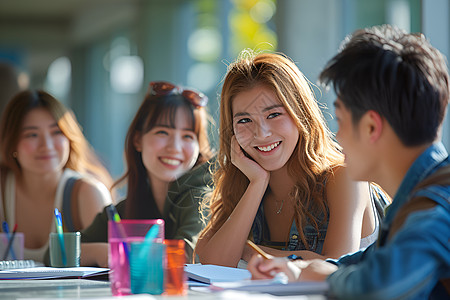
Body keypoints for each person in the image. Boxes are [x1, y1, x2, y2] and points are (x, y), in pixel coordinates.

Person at [248, 24, 450, 300]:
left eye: (340, 121)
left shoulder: (434, 211)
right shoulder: (417, 202)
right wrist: (301, 269)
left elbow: (379, 287)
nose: (338, 137)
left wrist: (317, 273)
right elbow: (366, 262)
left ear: (370, 128)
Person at [195, 50, 389, 268]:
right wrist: (257, 183)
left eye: (274, 115)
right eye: (245, 120)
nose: (261, 133)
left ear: (301, 114)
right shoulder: (243, 184)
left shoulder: (344, 178)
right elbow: (207, 260)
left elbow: (335, 268)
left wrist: (249, 252)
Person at [80, 81, 214, 267]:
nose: (174, 147)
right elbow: (60, 252)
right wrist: (103, 252)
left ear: (199, 147)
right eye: (162, 132)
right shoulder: (128, 207)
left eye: (187, 136)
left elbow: (184, 254)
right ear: (138, 140)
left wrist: (120, 252)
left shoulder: (202, 197)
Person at [0, 90, 114, 263]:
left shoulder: (87, 193)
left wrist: (94, 251)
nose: (46, 145)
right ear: (11, 143)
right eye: (32, 134)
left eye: (56, 132)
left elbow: (112, 261)